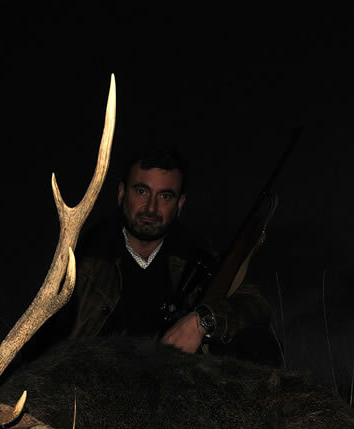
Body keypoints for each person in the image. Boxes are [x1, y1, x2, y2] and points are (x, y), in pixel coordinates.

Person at [63, 145, 281, 363]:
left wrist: (202, 321)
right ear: (121, 194)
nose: (150, 208)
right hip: (98, 386)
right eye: (141, 191)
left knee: (258, 340)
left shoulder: (197, 258)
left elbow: (255, 304)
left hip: (176, 387)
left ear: (180, 204)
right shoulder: (82, 262)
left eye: (165, 196)